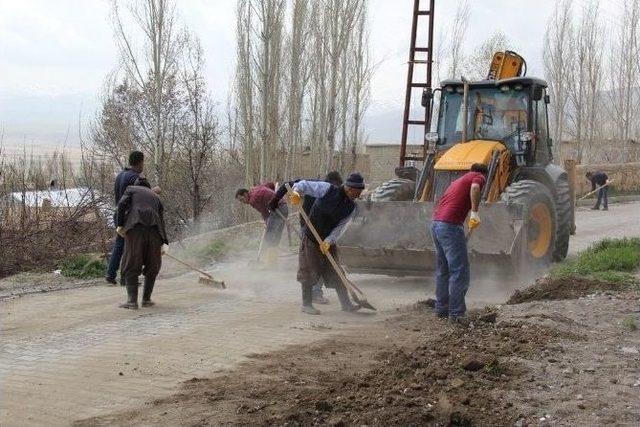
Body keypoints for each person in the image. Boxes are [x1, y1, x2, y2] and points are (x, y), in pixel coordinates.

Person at [289, 172, 365, 315]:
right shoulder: (327, 189)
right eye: (357, 192)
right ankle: (306, 305)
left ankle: (346, 304)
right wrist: (297, 193)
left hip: (327, 241)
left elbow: (340, 227)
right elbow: (303, 184)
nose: (358, 196)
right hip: (311, 237)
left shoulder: (351, 207)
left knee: (337, 272)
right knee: (309, 270)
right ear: (349, 188)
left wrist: (329, 241)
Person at [269, 171, 344, 305]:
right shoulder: (313, 185)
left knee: (325, 259)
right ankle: (314, 294)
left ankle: (318, 293)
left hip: (323, 229)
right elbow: (287, 185)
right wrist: (275, 200)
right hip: (309, 227)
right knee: (315, 260)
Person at [431, 163, 488, 322]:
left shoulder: (457, 181)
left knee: (444, 269)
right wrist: (474, 213)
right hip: (450, 227)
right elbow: (476, 188)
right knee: (459, 271)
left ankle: (441, 309)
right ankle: (456, 314)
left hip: (436, 224)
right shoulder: (478, 176)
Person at [116, 177, 168, 309]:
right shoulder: (156, 197)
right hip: (155, 232)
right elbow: (161, 219)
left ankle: (132, 302)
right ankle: (146, 299)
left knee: (131, 262)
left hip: (136, 228)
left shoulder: (131, 189)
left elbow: (121, 205)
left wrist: (120, 224)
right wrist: (164, 242)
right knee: (152, 265)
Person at [105, 151, 144, 285]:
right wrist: (153, 192)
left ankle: (110, 275)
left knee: (120, 245)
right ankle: (127, 278)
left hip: (118, 215)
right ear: (140, 162)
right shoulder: (135, 178)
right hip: (130, 217)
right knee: (132, 247)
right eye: (143, 162)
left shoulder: (120, 175)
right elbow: (140, 197)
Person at [235, 183, 289, 265]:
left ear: (245, 194)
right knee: (276, 237)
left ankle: (270, 263)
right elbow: (271, 185)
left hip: (278, 210)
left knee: (269, 236)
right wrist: (273, 195)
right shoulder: (256, 189)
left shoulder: (253, 200)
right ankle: (273, 262)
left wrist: (267, 222)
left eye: (242, 200)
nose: (243, 202)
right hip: (284, 208)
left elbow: (264, 213)